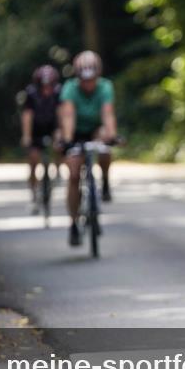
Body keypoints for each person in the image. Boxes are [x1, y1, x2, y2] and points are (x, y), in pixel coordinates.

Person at [59, 50, 117, 246]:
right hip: (75, 131)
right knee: (74, 174)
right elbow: (68, 115)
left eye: (91, 80)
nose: (88, 84)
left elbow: (107, 113)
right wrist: (67, 140)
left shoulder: (105, 87)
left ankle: (106, 181)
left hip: (95, 129)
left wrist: (111, 135)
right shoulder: (70, 88)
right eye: (84, 80)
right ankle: (74, 223)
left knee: (104, 146)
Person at [21, 65, 62, 213]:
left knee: (60, 145)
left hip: (52, 126)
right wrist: (26, 136)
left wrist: (60, 132)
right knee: (33, 159)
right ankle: (33, 195)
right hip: (36, 129)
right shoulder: (31, 94)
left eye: (50, 86)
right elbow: (27, 116)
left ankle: (58, 170)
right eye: (44, 86)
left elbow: (61, 113)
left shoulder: (58, 92)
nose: (47, 89)